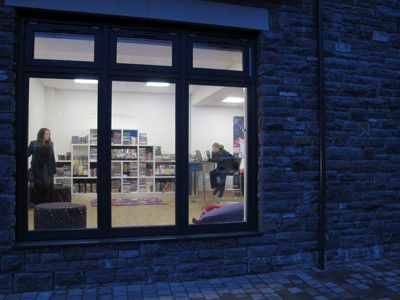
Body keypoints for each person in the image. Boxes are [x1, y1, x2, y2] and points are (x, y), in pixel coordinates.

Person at [28, 128, 57, 205]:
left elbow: (52, 158)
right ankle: (38, 205)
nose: (48, 136)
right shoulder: (34, 144)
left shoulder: (50, 144)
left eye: (49, 134)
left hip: (47, 170)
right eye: (46, 134)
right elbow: (27, 154)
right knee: (38, 187)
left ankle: (47, 206)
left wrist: (54, 171)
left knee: (47, 187)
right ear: (41, 134)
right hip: (37, 170)